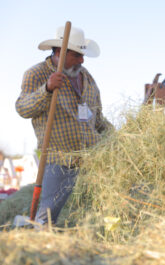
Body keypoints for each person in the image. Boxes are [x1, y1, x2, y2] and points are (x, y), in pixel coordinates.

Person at [16, 26, 112, 225]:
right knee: (48, 214)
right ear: (59, 53)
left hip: (92, 159)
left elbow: (98, 118)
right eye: (77, 55)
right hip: (59, 159)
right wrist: (48, 89)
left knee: (98, 210)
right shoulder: (37, 74)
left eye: (82, 55)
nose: (82, 60)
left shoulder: (87, 78)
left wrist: (118, 137)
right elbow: (23, 108)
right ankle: (39, 246)